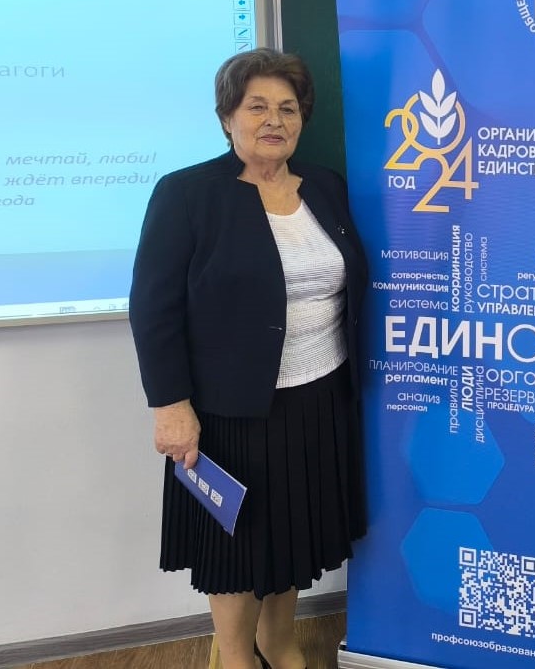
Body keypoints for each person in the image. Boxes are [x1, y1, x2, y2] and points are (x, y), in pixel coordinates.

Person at [129, 48, 368, 669]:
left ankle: (278, 643)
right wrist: (170, 407)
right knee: (234, 550)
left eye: (288, 108)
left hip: (320, 398)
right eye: (256, 106)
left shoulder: (326, 187)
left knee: (292, 536)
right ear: (227, 117)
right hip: (230, 412)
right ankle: (234, 657)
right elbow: (153, 310)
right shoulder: (187, 194)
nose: (274, 120)